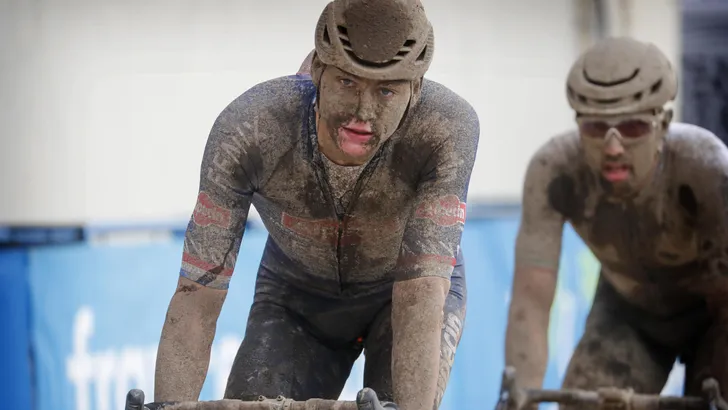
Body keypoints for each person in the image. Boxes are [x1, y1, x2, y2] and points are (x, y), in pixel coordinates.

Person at [153, 1, 480, 409]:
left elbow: (421, 294)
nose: (363, 112)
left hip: (404, 293)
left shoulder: (445, 129)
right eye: (347, 83)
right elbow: (195, 297)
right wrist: (167, 405)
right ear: (316, 73)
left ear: (415, 92)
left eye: (386, 90)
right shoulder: (251, 128)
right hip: (298, 295)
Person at [504, 36, 728, 406]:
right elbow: (530, 303)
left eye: (633, 128)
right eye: (595, 129)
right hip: (629, 314)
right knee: (583, 403)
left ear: (663, 125)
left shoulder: (707, 169)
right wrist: (519, 397)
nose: (613, 147)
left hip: (715, 317)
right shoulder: (555, 171)